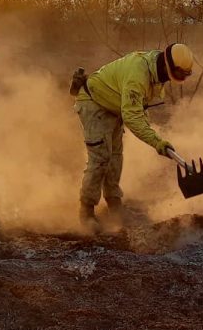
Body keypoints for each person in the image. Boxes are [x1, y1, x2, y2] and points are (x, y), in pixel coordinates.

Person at [74, 43, 194, 232]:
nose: (178, 79)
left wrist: (155, 137)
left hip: (113, 107)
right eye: (178, 75)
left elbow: (139, 108)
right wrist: (156, 142)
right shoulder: (138, 75)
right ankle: (86, 212)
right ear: (167, 66)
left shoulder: (155, 71)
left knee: (115, 157)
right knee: (101, 158)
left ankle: (114, 206)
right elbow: (131, 116)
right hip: (93, 103)